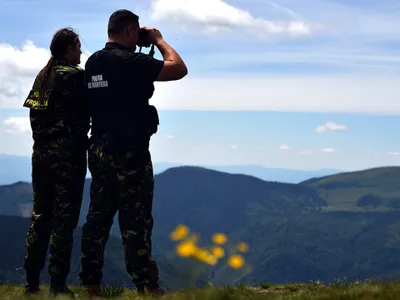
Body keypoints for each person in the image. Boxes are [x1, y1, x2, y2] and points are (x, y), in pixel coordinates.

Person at [79, 9, 187, 297]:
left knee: (98, 218)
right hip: (130, 153)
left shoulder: (93, 62)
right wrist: (160, 40)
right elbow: (178, 68)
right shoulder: (130, 61)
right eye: (136, 32)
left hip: (99, 150)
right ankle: (147, 286)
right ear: (130, 31)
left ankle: (90, 283)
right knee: (135, 220)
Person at [22, 27, 90, 297]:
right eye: (78, 46)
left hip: (40, 157)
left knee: (40, 218)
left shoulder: (42, 77)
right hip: (68, 158)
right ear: (69, 49)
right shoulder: (75, 77)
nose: (81, 52)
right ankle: (58, 284)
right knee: (64, 220)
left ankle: (31, 282)